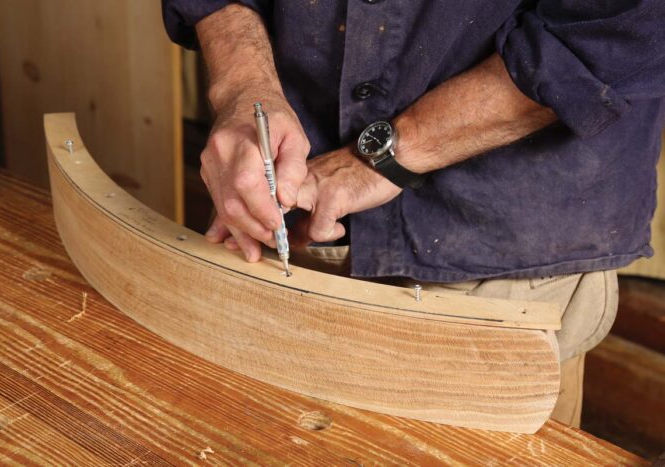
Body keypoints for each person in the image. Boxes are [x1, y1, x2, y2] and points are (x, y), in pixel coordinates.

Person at [162, 0, 665, 427]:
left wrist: (387, 155)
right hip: (288, 198)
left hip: (498, 244)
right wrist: (243, 85)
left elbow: (621, 25)